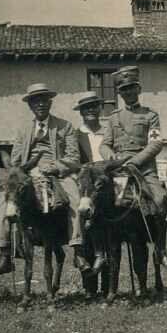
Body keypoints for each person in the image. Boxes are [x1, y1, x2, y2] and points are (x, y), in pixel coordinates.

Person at [0, 83, 85, 276]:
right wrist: (23, 170)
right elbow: (14, 159)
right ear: (30, 105)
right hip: (27, 173)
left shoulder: (65, 126)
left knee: (74, 197)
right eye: (36, 101)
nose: (40, 104)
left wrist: (54, 166)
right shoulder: (23, 130)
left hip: (56, 172)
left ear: (50, 102)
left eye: (44, 100)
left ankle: (77, 248)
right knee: (2, 202)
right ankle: (5, 254)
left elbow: (74, 158)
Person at [99, 66, 167, 267]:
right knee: (98, 202)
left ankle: (160, 249)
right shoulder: (113, 117)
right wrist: (110, 156)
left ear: (138, 89)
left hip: (144, 170)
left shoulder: (150, 115)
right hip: (119, 171)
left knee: (160, 199)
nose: (128, 92)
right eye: (123, 89)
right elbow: (104, 143)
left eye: (131, 88)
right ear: (119, 93)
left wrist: (136, 161)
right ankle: (102, 251)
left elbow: (156, 143)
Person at [73, 90, 109, 288]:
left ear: (100, 108)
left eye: (94, 107)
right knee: (86, 229)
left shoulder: (108, 130)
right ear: (81, 112)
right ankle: (89, 287)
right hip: (85, 183)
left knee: (106, 229)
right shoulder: (76, 134)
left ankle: (107, 286)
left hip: (103, 183)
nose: (91, 111)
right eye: (86, 108)